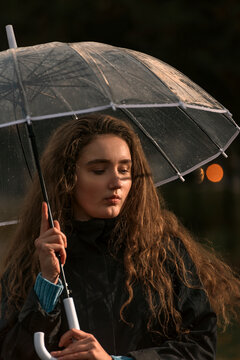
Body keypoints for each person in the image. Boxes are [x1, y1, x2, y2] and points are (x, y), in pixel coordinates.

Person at [0, 113, 239, 360]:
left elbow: (199, 347)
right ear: (68, 178)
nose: (116, 182)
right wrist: (48, 284)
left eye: (124, 170)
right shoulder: (37, 260)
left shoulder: (165, 252)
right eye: (99, 170)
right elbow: (11, 351)